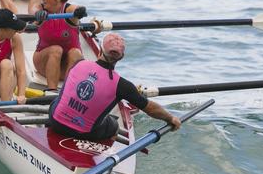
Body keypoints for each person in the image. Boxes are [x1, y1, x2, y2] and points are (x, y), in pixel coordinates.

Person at [47, 33, 181, 141]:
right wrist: (171, 118)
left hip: (55, 121)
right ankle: (105, 151)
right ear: (121, 57)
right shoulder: (123, 86)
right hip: (84, 133)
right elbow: (150, 108)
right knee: (113, 124)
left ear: (100, 50)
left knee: (57, 100)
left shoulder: (79, 64)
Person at [33, 0, 87, 91]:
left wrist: (80, 11)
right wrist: (37, 16)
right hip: (43, 62)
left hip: (67, 64)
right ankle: (52, 91)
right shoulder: (41, 9)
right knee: (56, 50)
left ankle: (67, 91)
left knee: (76, 53)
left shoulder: (69, 10)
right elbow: (33, 9)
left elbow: (77, 9)